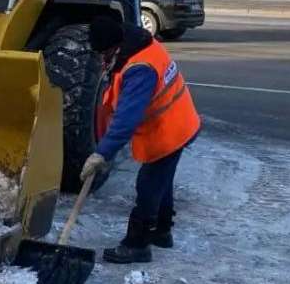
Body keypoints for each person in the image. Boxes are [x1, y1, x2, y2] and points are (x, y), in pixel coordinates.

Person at [80, 15, 202, 264]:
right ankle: (162, 231)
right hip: (177, 121)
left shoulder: (139, 70)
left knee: (148, 185)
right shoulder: (135, 43)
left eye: (104, 54)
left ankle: (137, 244)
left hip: (171, 128)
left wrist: (101, 153)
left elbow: (126, 119)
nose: (102, 60)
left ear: (114, 47)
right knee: (161, 181)